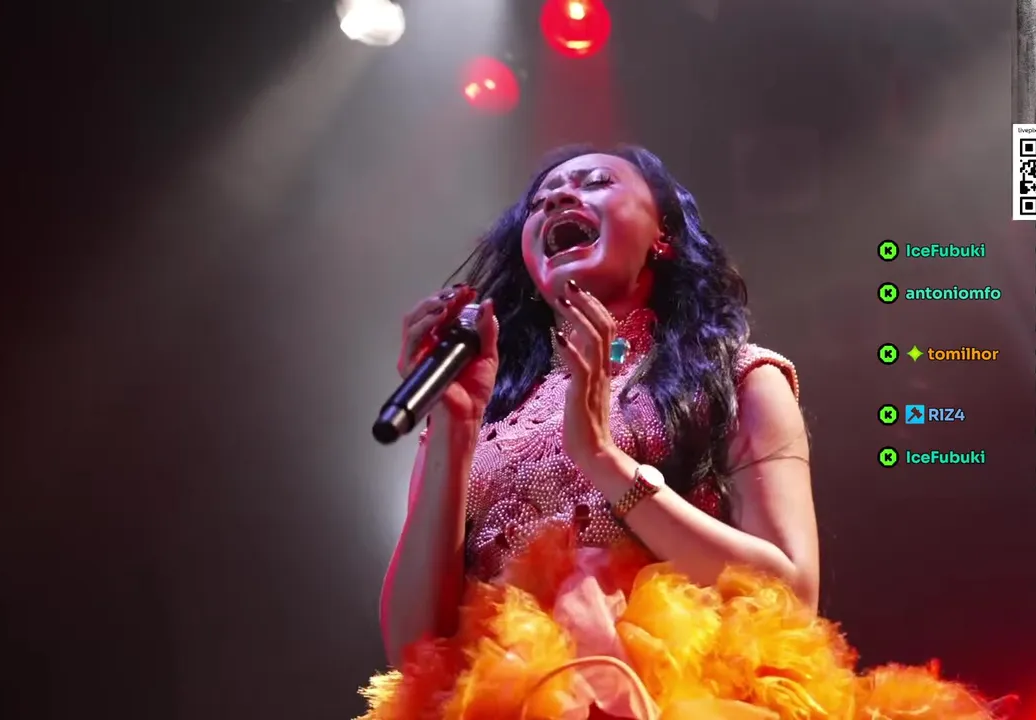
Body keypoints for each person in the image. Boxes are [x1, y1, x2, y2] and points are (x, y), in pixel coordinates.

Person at [358, 145, 994, 719]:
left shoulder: (740, 378)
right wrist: (454, 428)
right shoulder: (480, 410)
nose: (555, 199)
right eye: (540, 200)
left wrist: (605, 461)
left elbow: (791, 596)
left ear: (662, 235)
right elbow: (414, 649)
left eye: (596, 182)